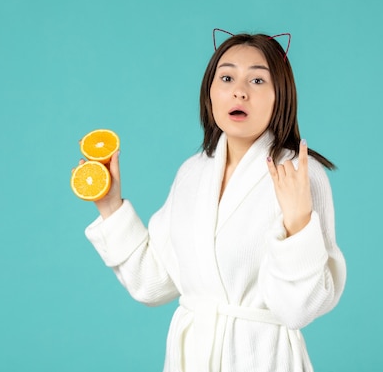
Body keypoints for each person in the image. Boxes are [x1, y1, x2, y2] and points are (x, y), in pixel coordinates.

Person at [78, 30, 346, 372]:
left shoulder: (300, 174)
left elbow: (299, 310)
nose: (240, 90)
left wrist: (298, 227)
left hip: (262, 359)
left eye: (258, 80)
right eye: (228, 77)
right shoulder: (193, 172)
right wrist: (110, 206)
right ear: (210, 93)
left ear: (281, 95)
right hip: (191, 358)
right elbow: (153, 282)